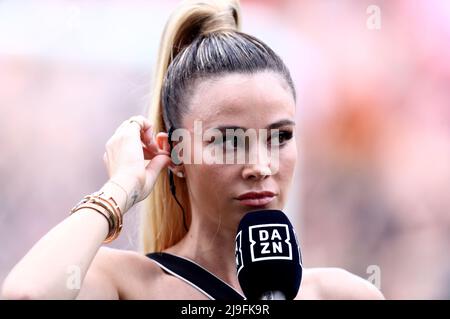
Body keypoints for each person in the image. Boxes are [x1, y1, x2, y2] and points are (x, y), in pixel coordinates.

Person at [1, 0, 384, 300]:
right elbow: (27, 294)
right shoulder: (130, 285)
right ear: (178, 153)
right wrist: (121, 188)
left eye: (279, 136)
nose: (260, 166)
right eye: (230, 141)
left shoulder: (343, 293)